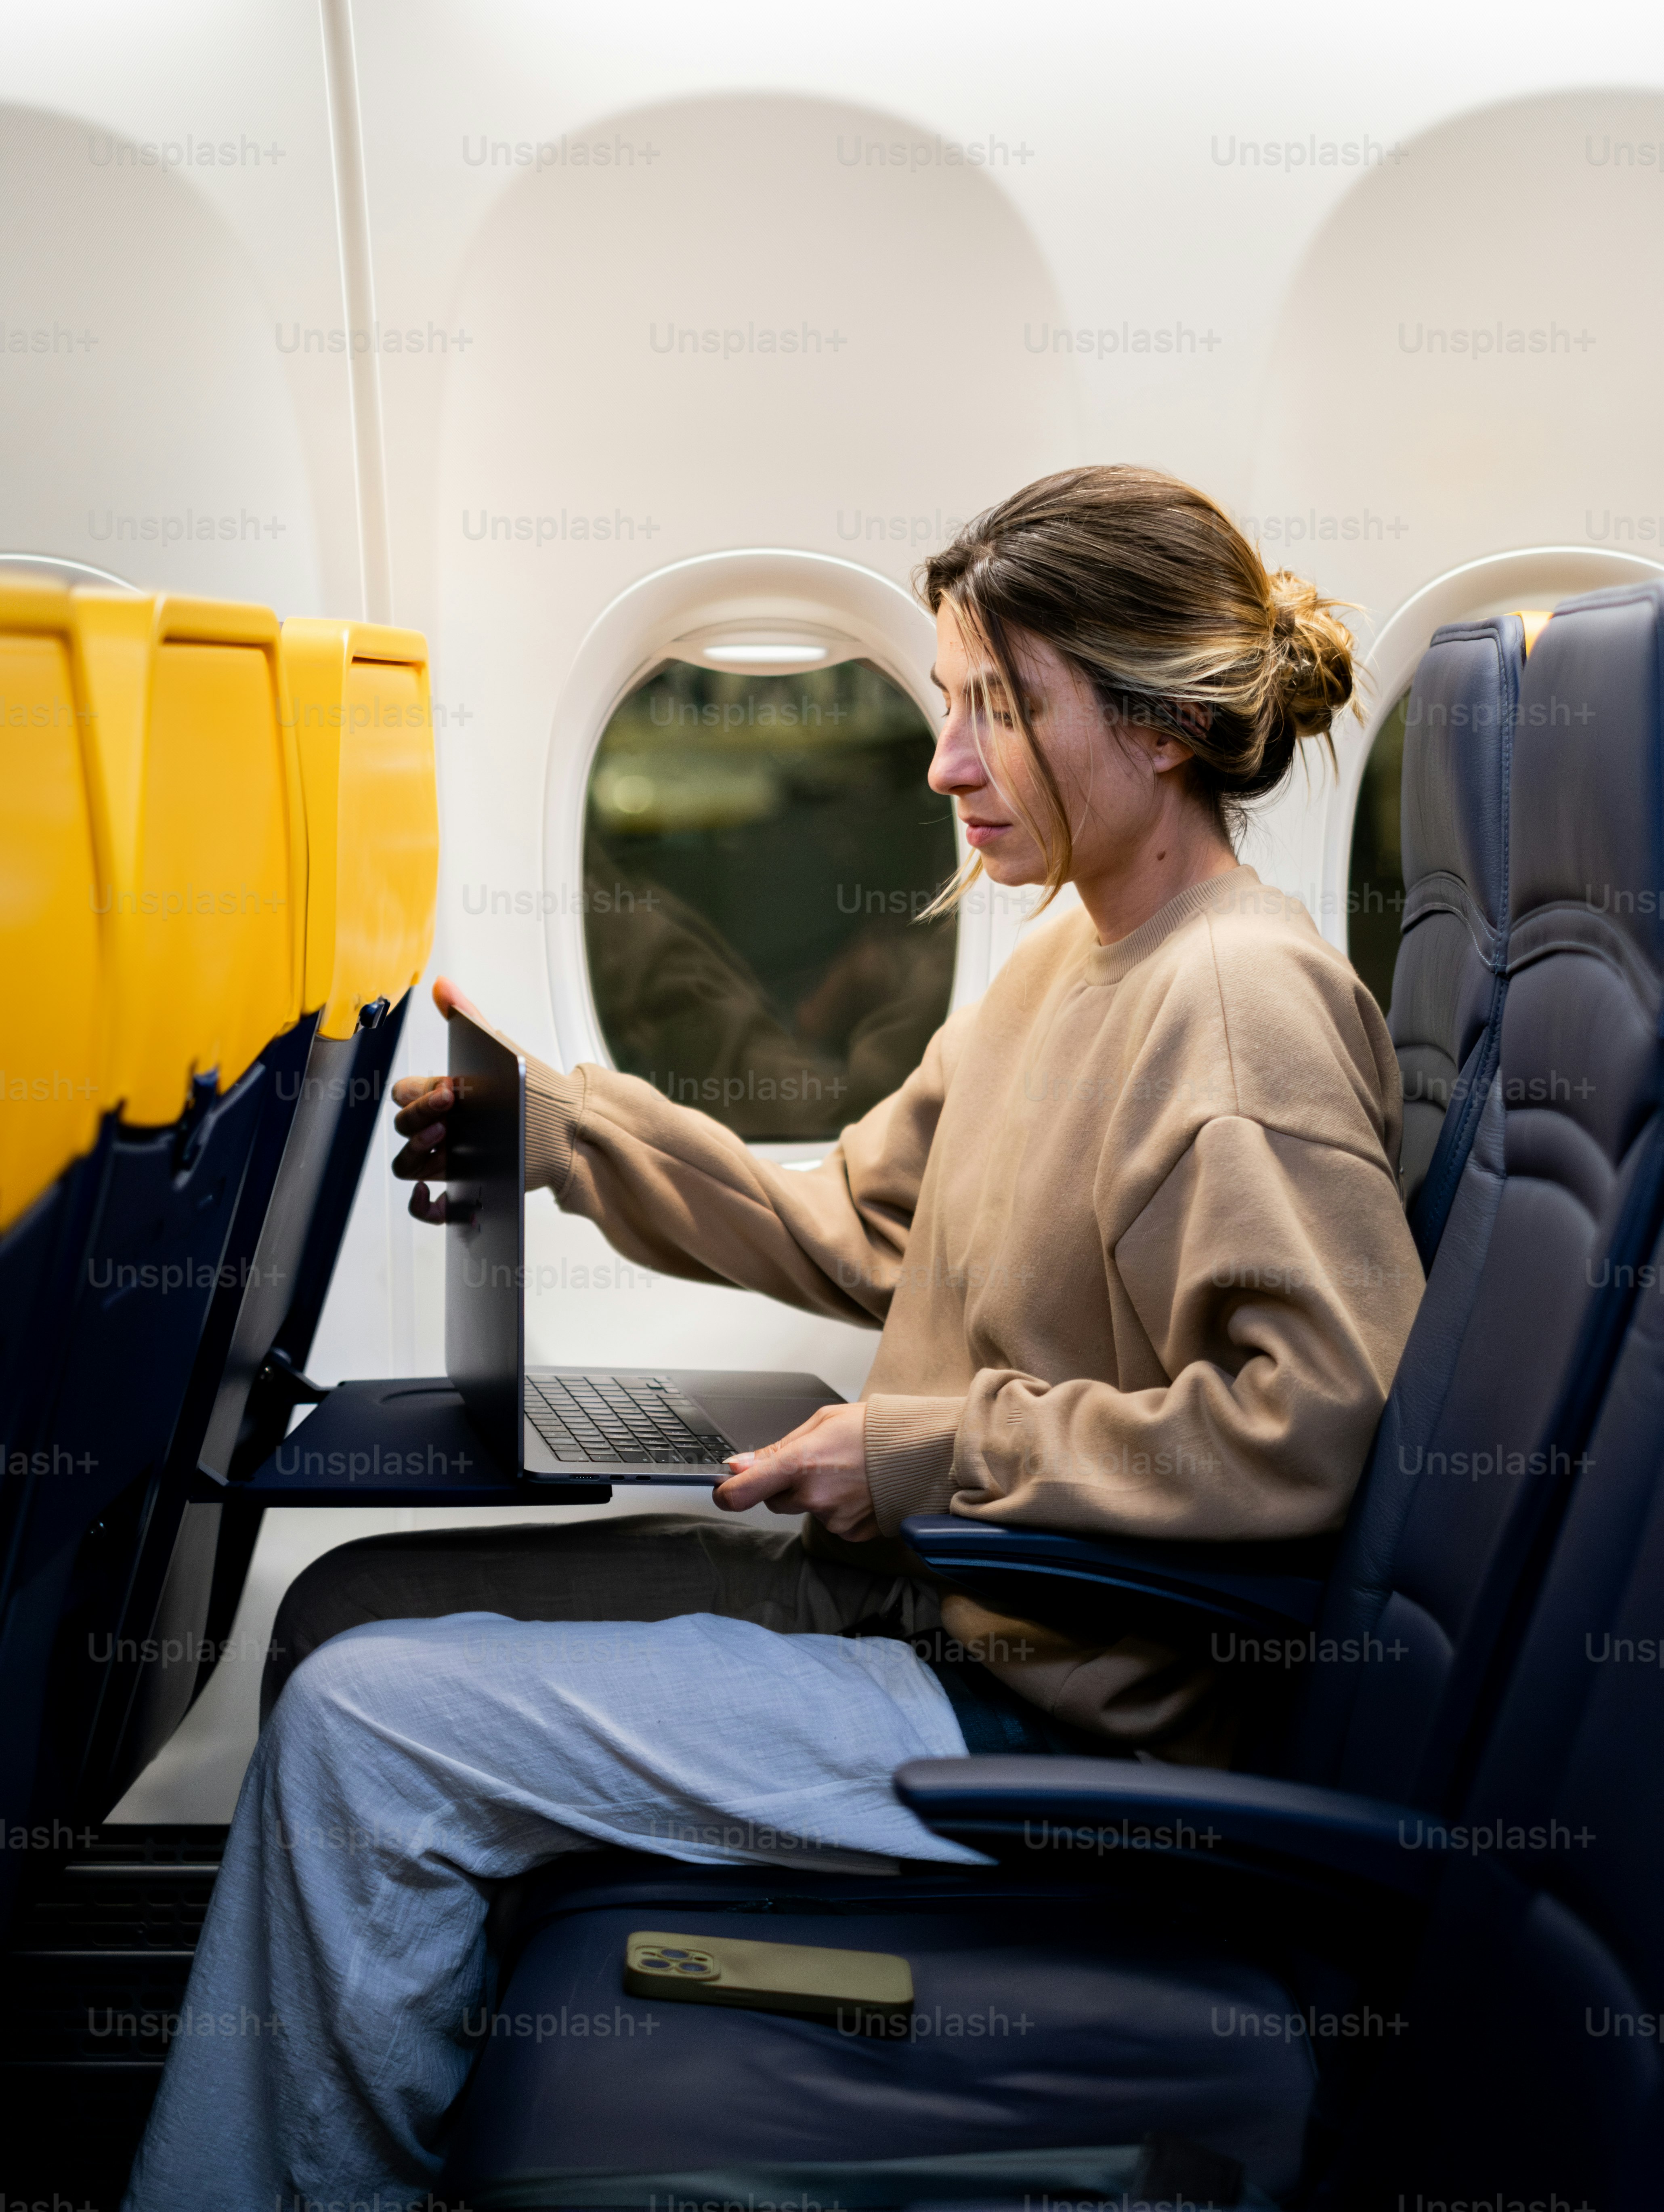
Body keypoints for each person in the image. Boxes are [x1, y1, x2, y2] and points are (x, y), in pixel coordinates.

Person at [123, 466, 1424, 2212]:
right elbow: (853, 1228)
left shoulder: (1238, 1002)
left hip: (1035, 1717)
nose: (951, 761)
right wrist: (568, 1135)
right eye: (953, 703)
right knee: (349, 1607)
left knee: (367, 1729)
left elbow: (1318, 1420)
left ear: (1160, 725)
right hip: (930, 1598)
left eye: (1001, 709)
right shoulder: (1065, 959)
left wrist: (916, 1453)